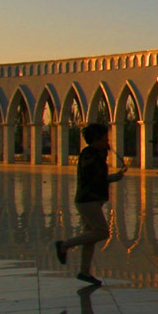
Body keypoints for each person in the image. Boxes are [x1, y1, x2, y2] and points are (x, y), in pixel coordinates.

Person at [54, 122, 127, 285]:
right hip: (88, 200)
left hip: (92, 199)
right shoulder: (90, 154)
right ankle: (64, 245)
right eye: (103, 139)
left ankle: (84, 272)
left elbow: (98, 175)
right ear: (94, 139)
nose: (107, 142)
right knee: (102, 232)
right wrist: (111, 178)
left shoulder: (96, 153)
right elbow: (93, 177)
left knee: (90, 237)